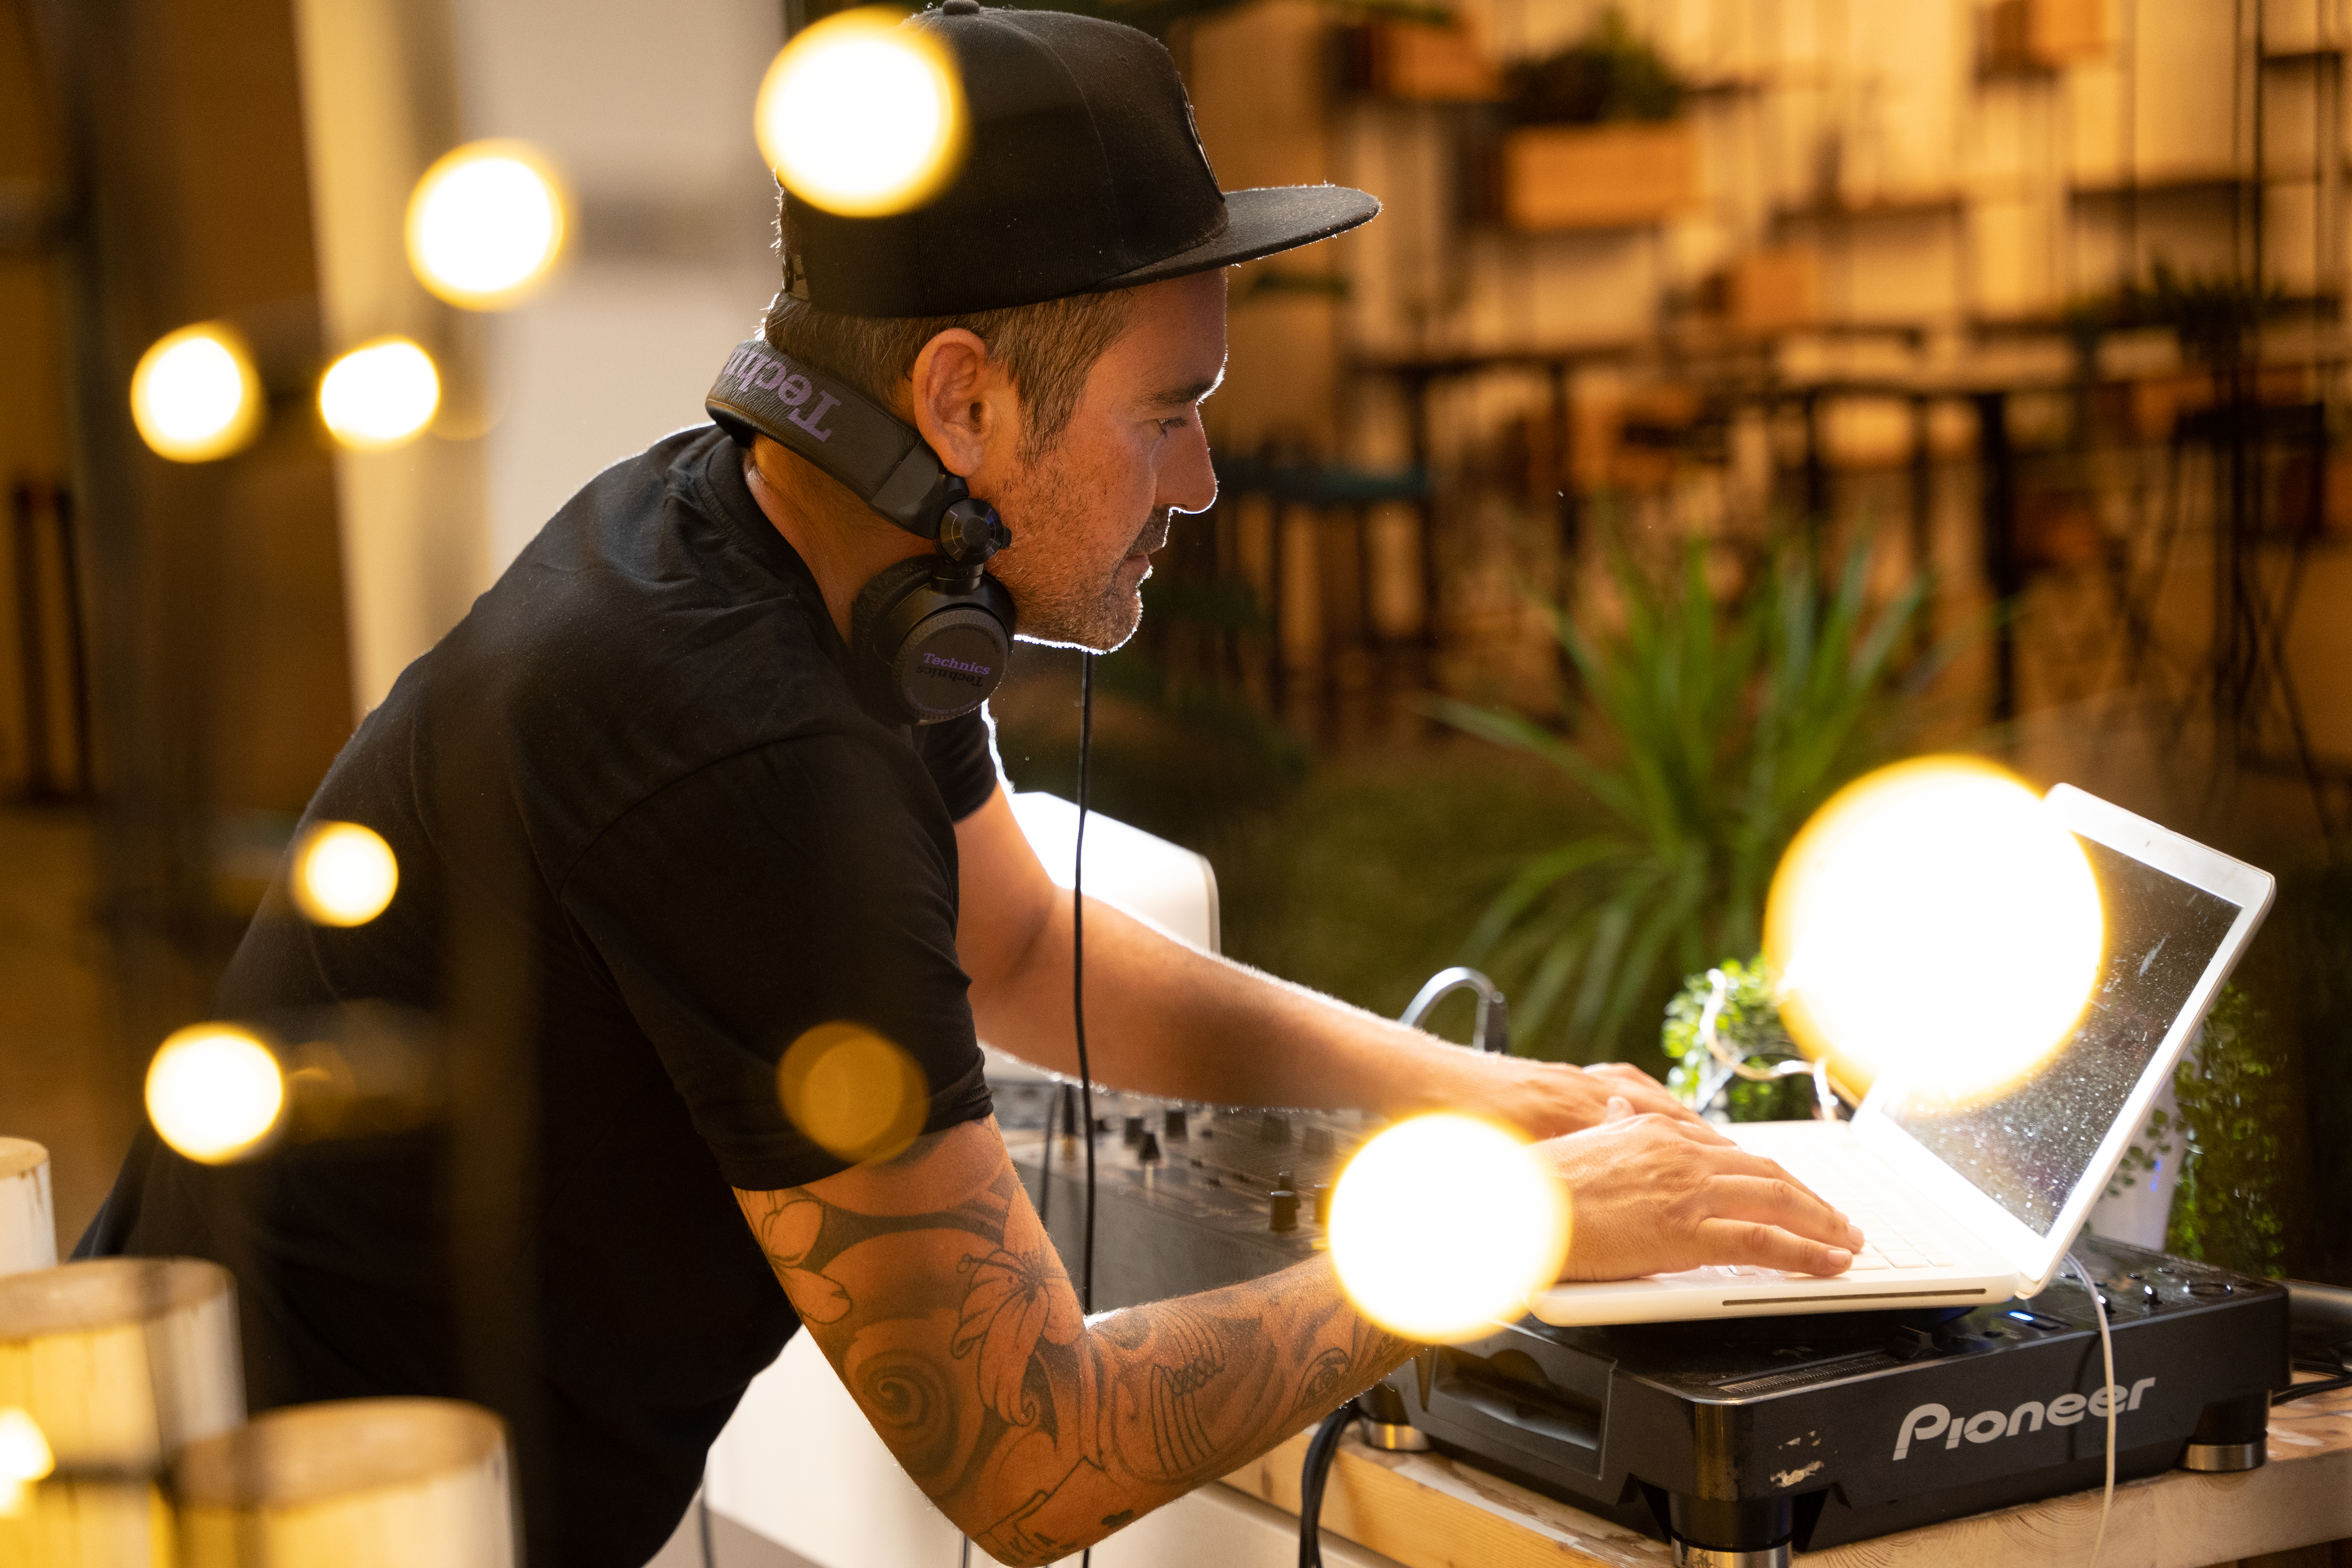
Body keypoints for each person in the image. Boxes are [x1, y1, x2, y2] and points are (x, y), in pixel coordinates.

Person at [81, 7, 1860, 1565]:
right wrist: (1508, 1228)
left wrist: (1488, 1095)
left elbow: (1014, 943)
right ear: (962, 401)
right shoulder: (750, 747)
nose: (1205, 482)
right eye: (1168, 410)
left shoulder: (794, 550)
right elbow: (1030, 1457)